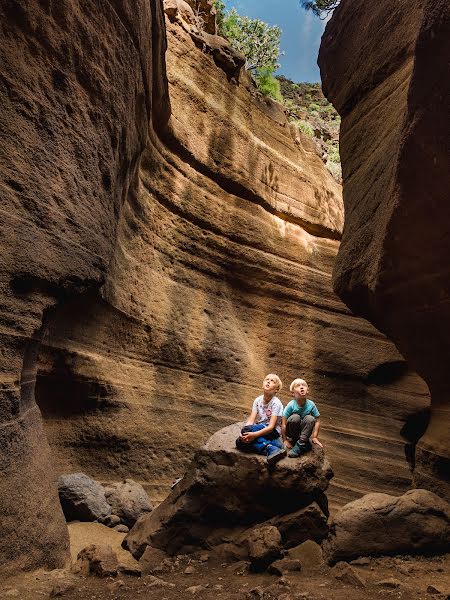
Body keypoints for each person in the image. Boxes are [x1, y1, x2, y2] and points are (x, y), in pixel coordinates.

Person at [236, 373, 287, 465]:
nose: (268, 381)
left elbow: (271, 427)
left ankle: (273, 443)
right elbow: (251, 421)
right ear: (262, 385)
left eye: (272, 381)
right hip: (261, 428)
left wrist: (254, 435)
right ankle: (271, 448)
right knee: (239, 442)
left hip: (272, 431)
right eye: (267, 379)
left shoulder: (276, 403)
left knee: (246, 438)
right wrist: (242, 434)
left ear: (276, 389)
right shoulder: (257, 400)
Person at [282, 378, 323, 458]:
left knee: (310, 418)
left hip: (304, 432)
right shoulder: (291, 405)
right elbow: (283, 423)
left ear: (307, 390)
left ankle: (301, 443)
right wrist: (285, 440)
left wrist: (314, 436)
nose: (301, 387)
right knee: (295, 417)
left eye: (303, 385)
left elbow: (317, 420)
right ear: (293, 393)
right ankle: (296, 440)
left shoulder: (311, 404)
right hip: (292, 432)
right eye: (298, 386)